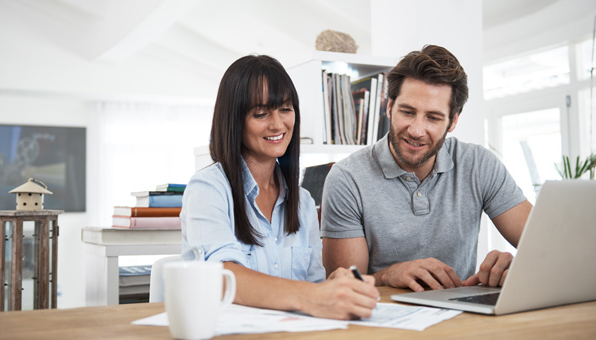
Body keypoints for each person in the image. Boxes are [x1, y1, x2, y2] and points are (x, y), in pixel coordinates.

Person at [320, 45, 533, 292]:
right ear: (390, 108)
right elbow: (344, 287)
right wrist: (389, 275)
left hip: (460, 319)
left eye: (433, 117)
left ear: (452, 121)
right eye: (407, 112)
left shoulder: (478, 165)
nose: (416, 130)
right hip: (382, 322)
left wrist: (516, 266)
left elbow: (546, 246)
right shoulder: (347, 178)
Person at [180, 55, 378, 320]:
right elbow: (222, 277)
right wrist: (314, 296)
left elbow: (313, 288)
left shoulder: (304, 202)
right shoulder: (207, 189)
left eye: (285, 109)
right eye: (260, 113)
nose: (277, 124)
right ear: (234, 120)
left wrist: (335, 284)